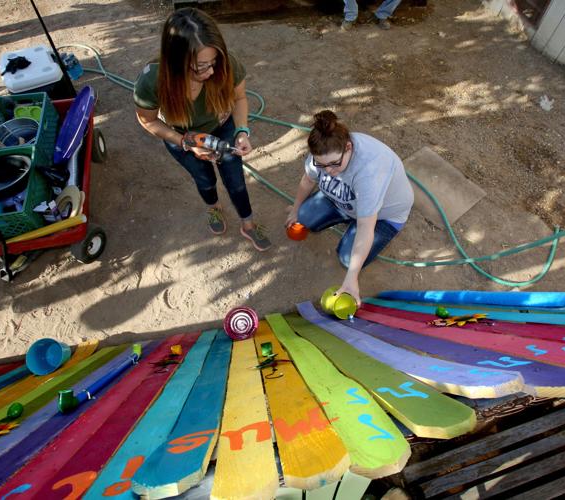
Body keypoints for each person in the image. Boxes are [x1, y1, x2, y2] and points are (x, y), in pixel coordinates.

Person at [134, 8, 271, 251]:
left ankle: (247, 224)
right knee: (204, 179)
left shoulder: (226, 64)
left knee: (235, 179)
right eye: (200, 66)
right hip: (180, 136)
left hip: (223, 127)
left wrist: (241, 131)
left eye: (214, 62)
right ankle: (214, 208)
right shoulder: (151, 81)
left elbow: (239, 99)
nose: (211, 71)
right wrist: (184, 142)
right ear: (176, 62)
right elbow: (148, 120)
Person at [286, 111, 412, 304]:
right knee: (303, 216)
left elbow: (365, 227)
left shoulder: (369, 172)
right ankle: (345, 215)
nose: (328, 171)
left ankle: (354, 224)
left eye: (334, 164)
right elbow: (308, 179)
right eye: (322, 165)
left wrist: (351, 279)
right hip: (345, 201)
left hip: (383, 217)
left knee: (347, 260)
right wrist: (295, 209)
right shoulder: (324, 150)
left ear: (348, 147)